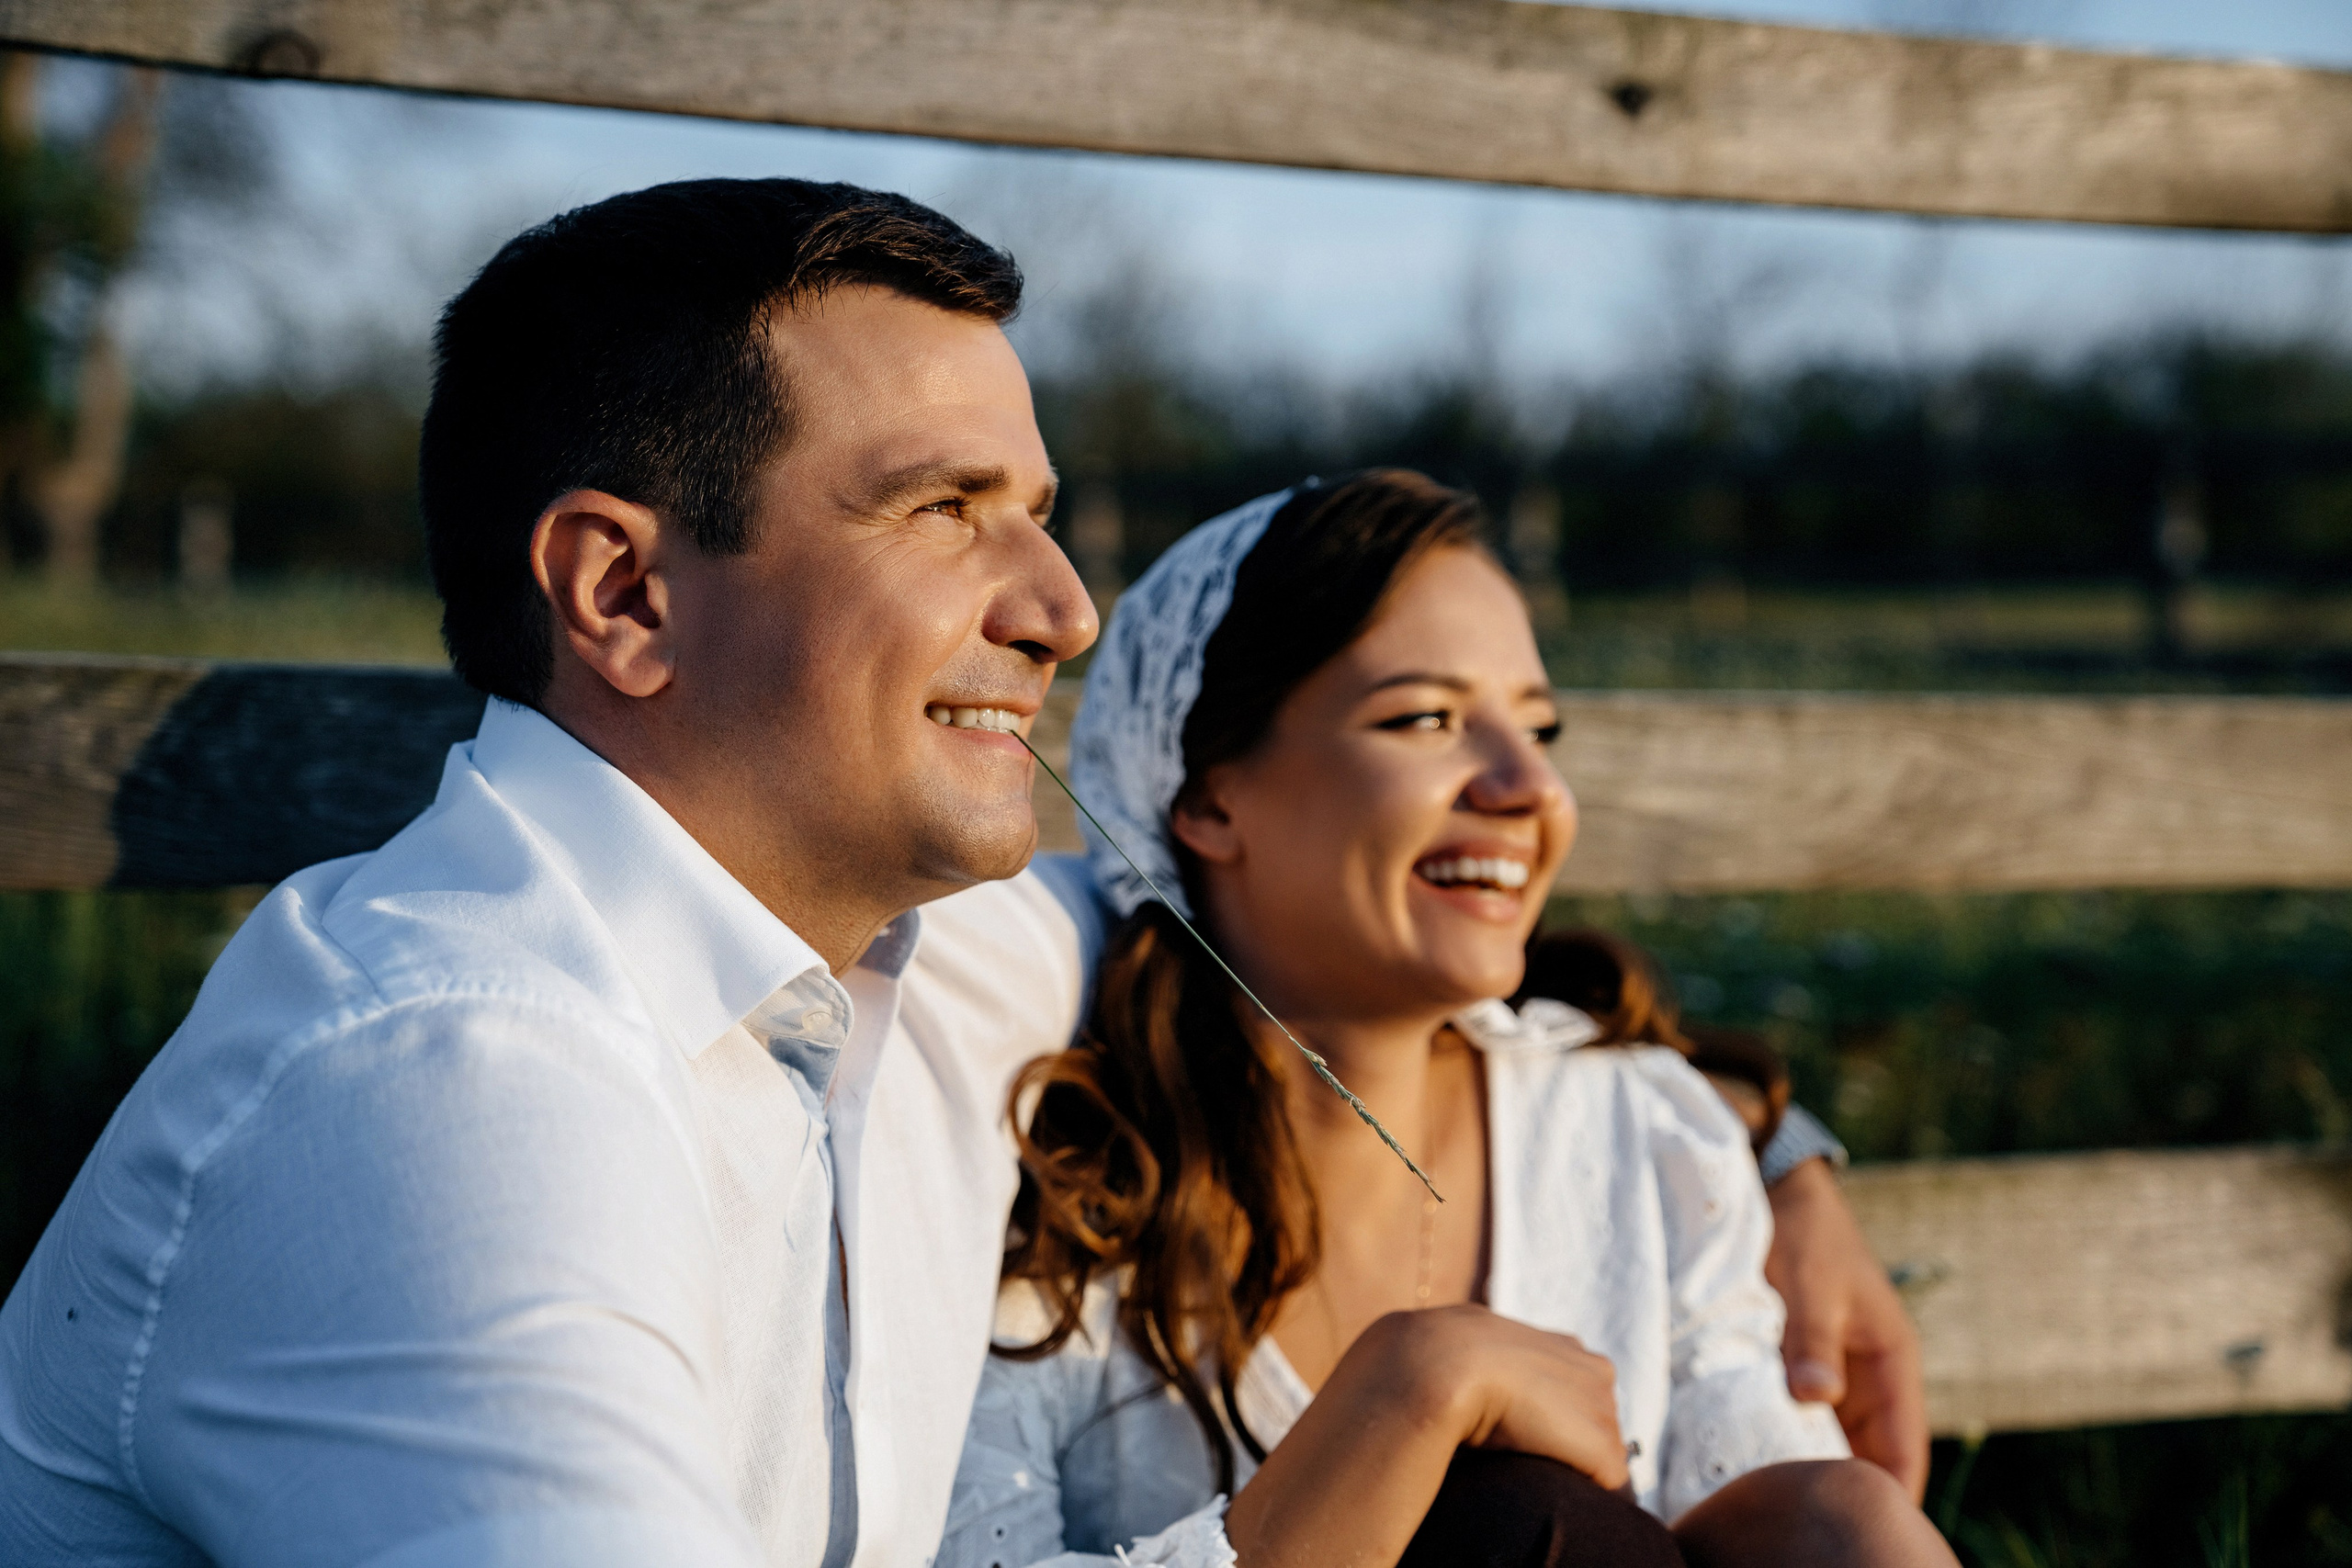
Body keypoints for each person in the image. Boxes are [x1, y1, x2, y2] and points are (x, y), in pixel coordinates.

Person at [0, 179, 1104, 1565]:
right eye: (944, 506)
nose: (1066, 608)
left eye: (1036, 511)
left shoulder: (901, 964)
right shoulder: (439, 1079)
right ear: (623, 595)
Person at [938, 472, 1959, 1567]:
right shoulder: (1054, 1185)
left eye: (1539, 727)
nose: (1526, 785)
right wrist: (1411, 1395)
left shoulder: (1645, 1136)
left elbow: (1733, 1510)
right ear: (1207, 799)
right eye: (1423, 718)